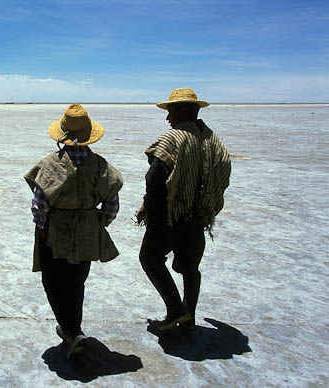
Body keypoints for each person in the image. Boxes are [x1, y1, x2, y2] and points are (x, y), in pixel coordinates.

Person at [24, 104, 123, 358]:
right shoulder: (101, 166)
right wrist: (96, 224)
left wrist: (44, 229)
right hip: (88, 231)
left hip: (55, 232)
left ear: (63, 135)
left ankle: (71, 331)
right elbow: (111, 204)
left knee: (52, 281)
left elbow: (39, 205)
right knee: (76, 281)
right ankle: (73, 328)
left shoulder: (49, 165)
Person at [136, 88, 231, 331]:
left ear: (182, 110)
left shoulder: (173, 138)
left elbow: (155, 179)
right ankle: (190, 315)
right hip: (198, 216)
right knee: (190, 268)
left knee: (150, 258)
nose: (167, 118)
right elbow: (223, 175)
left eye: (170, 111)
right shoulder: (214, 140)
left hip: (171, 215)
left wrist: (154, 215)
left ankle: (176, 310)